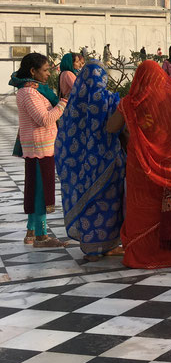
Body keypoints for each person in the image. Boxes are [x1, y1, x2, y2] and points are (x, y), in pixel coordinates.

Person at [107, 61, 171, 269]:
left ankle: (140, 255)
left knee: (142, 211)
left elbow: (111, 127)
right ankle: (169, 253)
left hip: (141, 167)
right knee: (165, 209)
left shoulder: (131, 102)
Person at [54, 61, 125, 259]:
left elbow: (66, 133)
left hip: (80, 164)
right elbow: (118, 125)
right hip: (108, 161)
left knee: (88, 202)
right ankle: (109, 245)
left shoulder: (75, 102)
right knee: (108, 203)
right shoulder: (108, 99)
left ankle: (90, 247)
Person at [12, 53, 69, 246]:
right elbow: (44, 119)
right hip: (39, 147)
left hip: (40, 146)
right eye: (44, 71)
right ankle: (41, 236)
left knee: (35, 188)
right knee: (40, 191)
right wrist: (63, 102)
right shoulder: (28, 93)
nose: (48, 75)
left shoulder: (33, 89)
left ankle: (31, 232)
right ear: (32, 71)